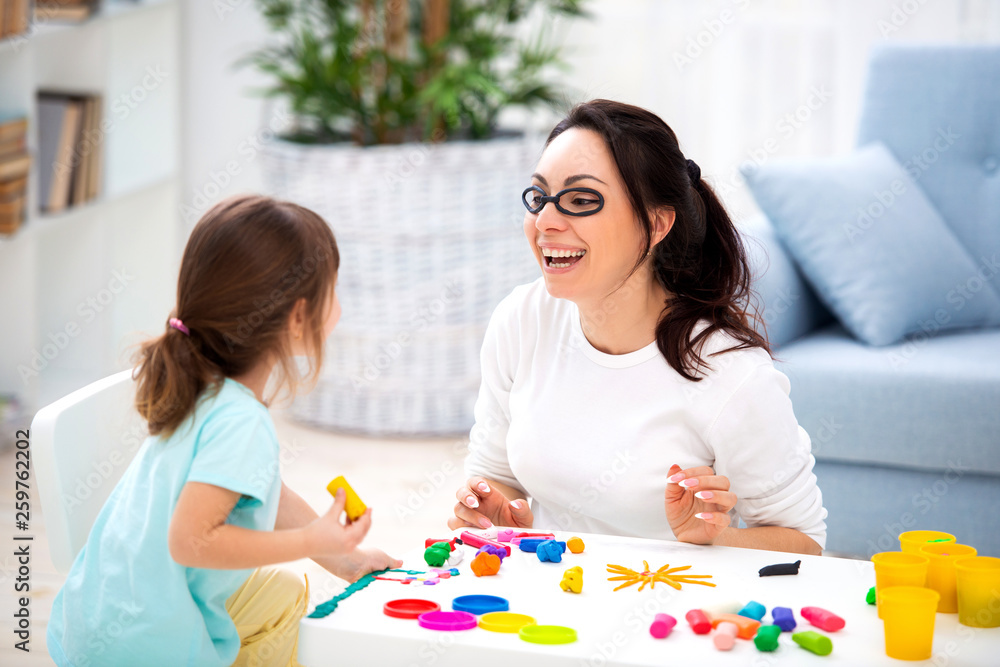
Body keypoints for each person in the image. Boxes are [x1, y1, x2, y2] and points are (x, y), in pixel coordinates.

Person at [448, 100, 827, 555]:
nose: (545, 222)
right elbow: (495, 472)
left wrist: (716, 537)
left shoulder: (732, 377)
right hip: (546, 608)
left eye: (581, 200)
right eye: (538, 197)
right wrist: (493, 512)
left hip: (670, 612)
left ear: (657, 221)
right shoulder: (521, 321)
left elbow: (807, 542)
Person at [47, 195, 402, 667]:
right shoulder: (241, 422)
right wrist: (312, 540)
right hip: (147, 650)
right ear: (298, 318)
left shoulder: (202, 382)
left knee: (284, 593)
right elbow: (191, 541)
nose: (339, 304)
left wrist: (344, 561)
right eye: (332, 289)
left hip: (100, 624)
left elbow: (260, 490)